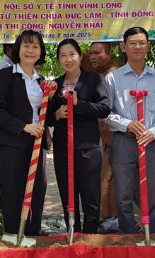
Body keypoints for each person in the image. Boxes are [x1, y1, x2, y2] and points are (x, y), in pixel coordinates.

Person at [104, 27, 155, 234]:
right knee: (123, 196)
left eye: (142, 43)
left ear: (148, 47)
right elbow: (105, 113)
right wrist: (127, 124)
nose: (137, 47)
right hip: (123, 142)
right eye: (132, 43)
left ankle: (153, 243)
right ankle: (128, 242)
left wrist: (153, 131)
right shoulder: (113, 79)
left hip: (150, 142)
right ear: (123, 47)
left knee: (151, 197)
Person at [46, 39, 110, 233]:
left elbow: (104, 108)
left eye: (72, 54)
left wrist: (78, 104)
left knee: (91, 197)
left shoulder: (94, 79)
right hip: (63, 148)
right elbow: (45, 117)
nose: (68, 59)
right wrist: (56, 114)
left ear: (80, 57)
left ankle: (90, 238)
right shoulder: (53, 85)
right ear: (58, 60)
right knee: (68, 196)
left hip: (89, 148)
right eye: (63, 56)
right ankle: (72, 235)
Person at [0, 30, 50, 237]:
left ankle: (32, 238)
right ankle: (13, 239)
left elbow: (44, 114)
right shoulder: (6, 76)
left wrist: (56, 111)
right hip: (13, 145)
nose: (30, 50)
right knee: (13, 194)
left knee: (36, 193)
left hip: (37, 145)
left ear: (41, 51)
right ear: (18, 49)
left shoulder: (42, 81)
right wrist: (24, 127)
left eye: (35, 46)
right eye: (26, 45)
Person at [88, 41, 120, 233]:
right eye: (91, 53)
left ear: (108, 54)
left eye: (97, 53)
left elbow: (110, 110)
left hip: (110, 136)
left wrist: (107, 137)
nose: (93, 57)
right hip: (103, 135)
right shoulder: (100, 74)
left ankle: (110, 218)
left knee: (107, 178)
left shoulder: (111, 75)